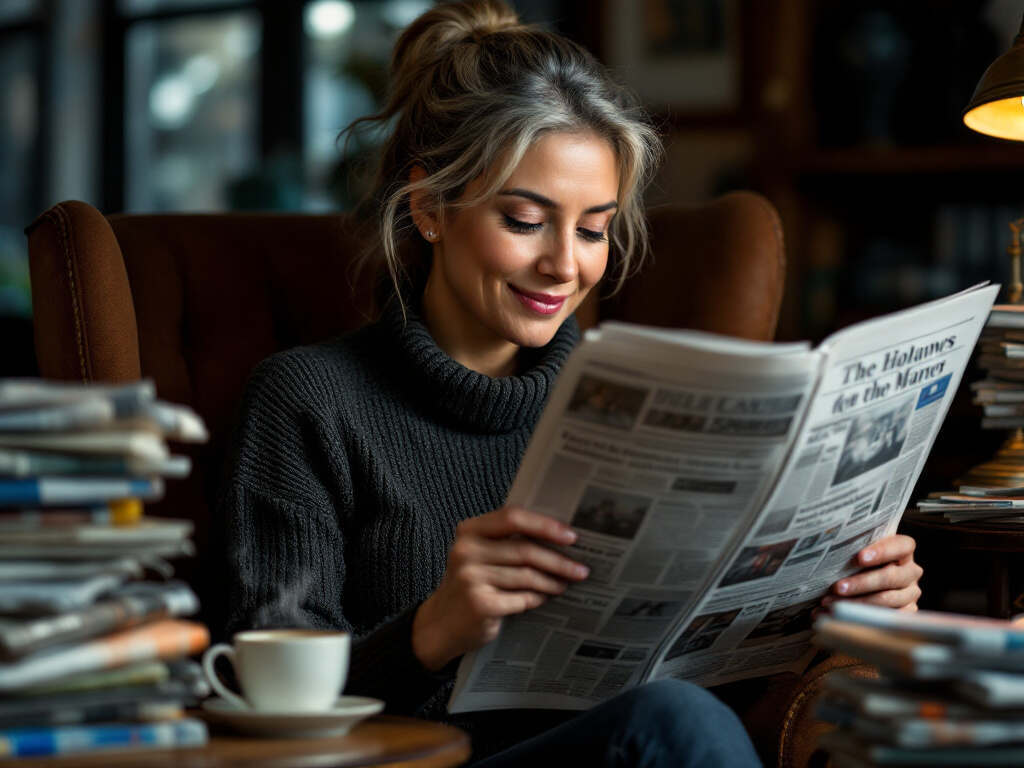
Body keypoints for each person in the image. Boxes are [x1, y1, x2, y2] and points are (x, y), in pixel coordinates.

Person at [219, 2, 923, 765]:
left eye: (593, 229)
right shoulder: (307, 401)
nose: (566, 266)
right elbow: (270, 706)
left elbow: (712, 697)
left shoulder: (636, 407)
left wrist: (843, 609)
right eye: (526, 220)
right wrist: (432, 631)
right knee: (670, 725)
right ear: (428, 207)